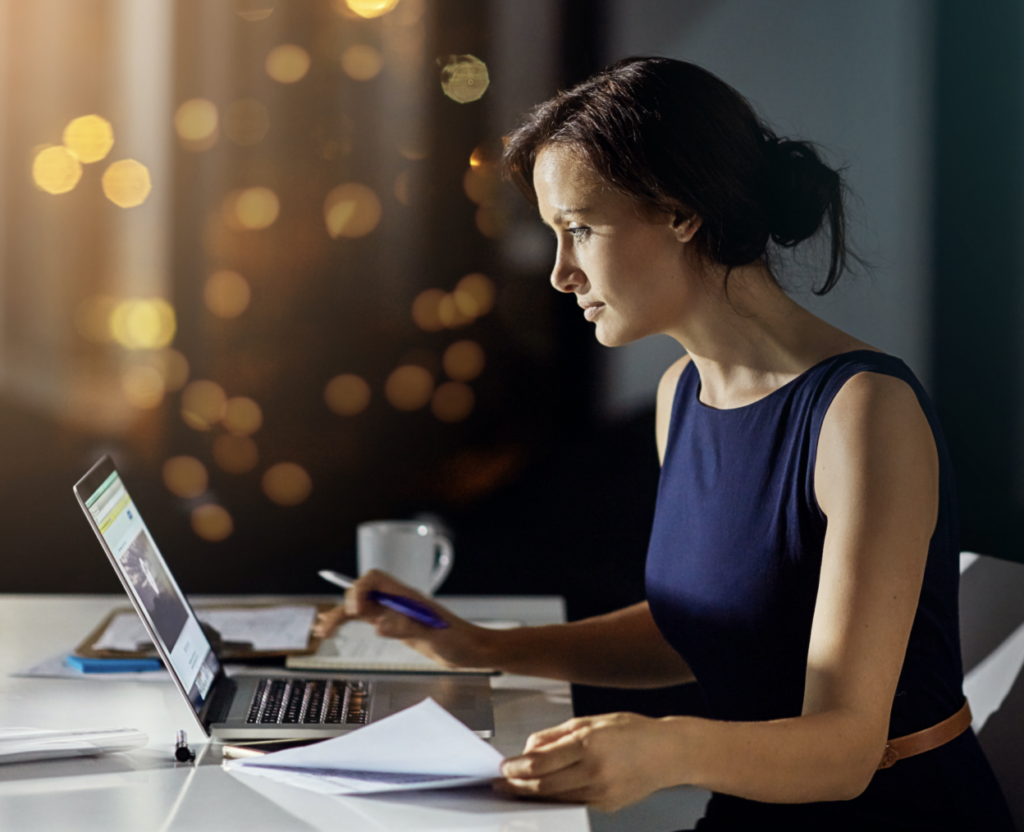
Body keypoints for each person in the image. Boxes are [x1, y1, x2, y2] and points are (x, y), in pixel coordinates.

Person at [315, 57, 1014, 830]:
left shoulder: (862, 412)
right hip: (750, 808)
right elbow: (703, 630)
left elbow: (848, 753)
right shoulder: (682, 393)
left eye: (579, 229)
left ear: (682, 212)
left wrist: (666, 749)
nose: (559, 273)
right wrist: (478, 644)